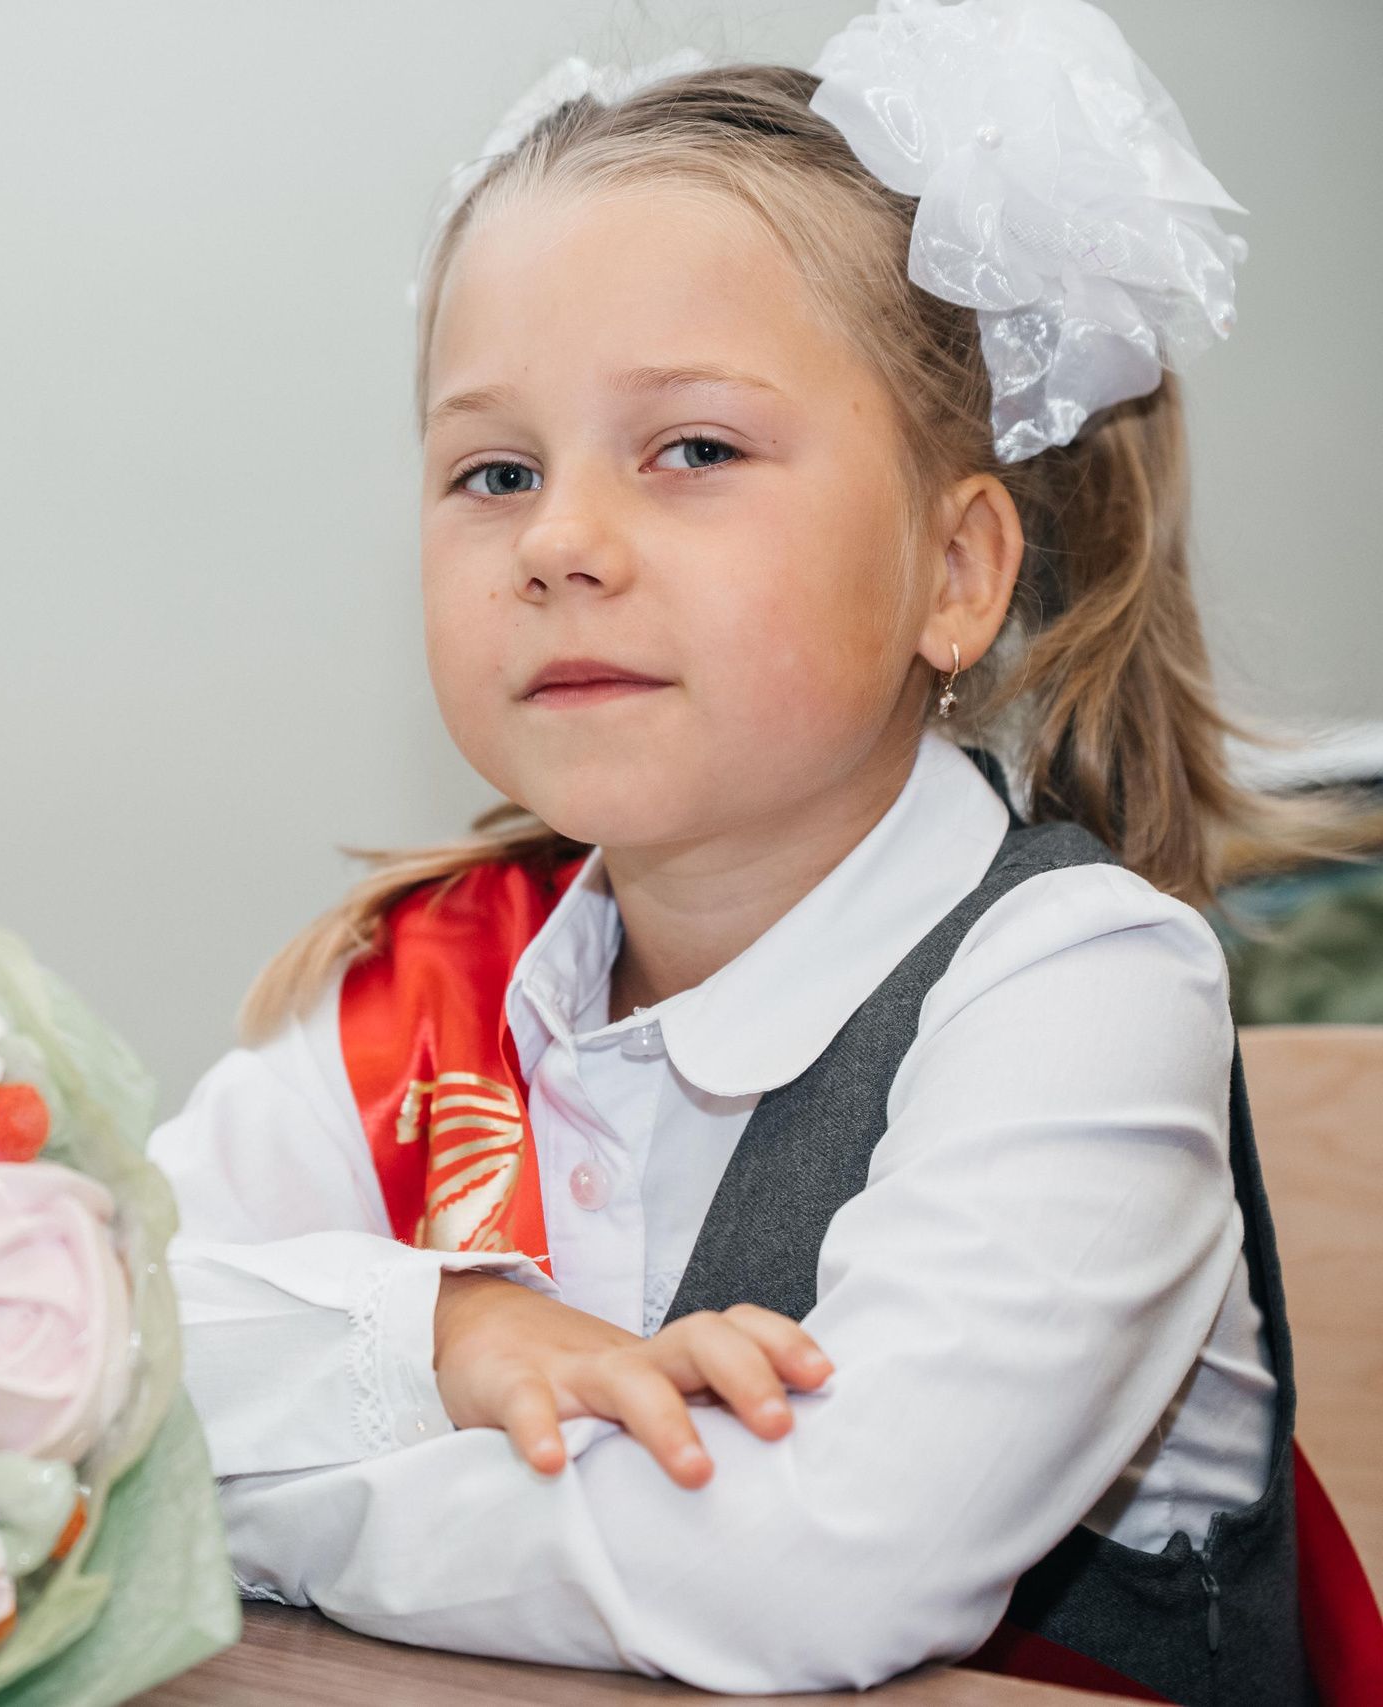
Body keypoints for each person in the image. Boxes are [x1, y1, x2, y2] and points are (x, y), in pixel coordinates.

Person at [145, 3, 1382, 1701]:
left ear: (957, 569)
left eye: (695, 451)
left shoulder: (1080, 990)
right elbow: (61, 1342)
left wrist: (230, 1510)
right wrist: (447, 1339)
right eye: (495, 469)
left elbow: (808, 1577)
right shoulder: (421, 982)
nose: (563, 541)